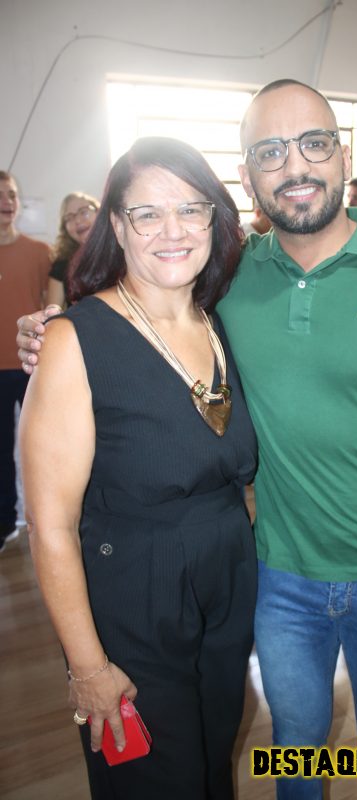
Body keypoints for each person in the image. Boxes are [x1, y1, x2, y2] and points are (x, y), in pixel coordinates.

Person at [18, 80, 357, 800]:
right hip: (275, 579)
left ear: (343, 153)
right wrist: (51, 334)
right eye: (270, 151)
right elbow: (132, 321)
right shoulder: (232, 281)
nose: (294, 166)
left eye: (313, 143)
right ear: (246, 177)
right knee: (292, 751)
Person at [18, 137, 257, 800]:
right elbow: (50, 525)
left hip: (227, 579)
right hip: (133, 593)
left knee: (211, 764)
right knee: (154, 783)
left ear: (214, 218)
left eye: (190, 209)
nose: (172, 230)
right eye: (147, 214)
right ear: (117, 227)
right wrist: (88, 667)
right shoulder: (75, 339)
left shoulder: (218, 321)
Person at [0, 170, 51, 553]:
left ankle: (49, 521)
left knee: (43, 448)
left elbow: (53, 307)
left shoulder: (40, 252)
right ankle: (5, 522)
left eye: (12, 194)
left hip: (32, 365)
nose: (6, 202)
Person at [48, 192, 100, 308]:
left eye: (83, 212)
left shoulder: (122, 252)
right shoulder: (62, 263)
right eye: (69, 218)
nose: (77, 221)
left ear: (99, 213)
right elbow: (51, 312)